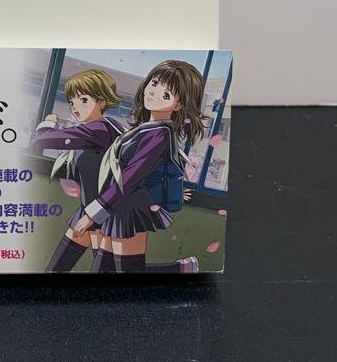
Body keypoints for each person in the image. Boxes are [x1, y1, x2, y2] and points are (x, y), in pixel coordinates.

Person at [74, 59, 206, 273]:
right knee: (111, 270)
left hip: (129, 206)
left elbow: (130, 177)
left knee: (121, 271)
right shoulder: (146, 129)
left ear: (178, 105)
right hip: (118, 204)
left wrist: (92, 215)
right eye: (154, 83)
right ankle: (181, 269)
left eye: (166, 94)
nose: (153, 92)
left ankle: (180, 270)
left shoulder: (159, 134)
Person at [30, 68, 124, 272]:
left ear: (101, 101)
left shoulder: (98, 130)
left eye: (83, 100)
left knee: (118, 271)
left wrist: (48, 124)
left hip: (103, 214)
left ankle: (181, 269)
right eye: (72, 102)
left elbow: (42, 140)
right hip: (91, 211)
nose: (75, 108)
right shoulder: (107, 127)